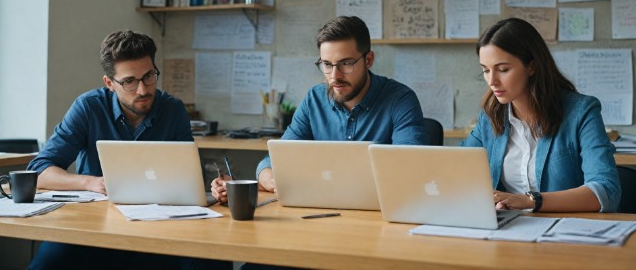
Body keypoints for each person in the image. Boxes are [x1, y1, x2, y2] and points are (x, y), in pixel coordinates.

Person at [27, 30, 230, 270]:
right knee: (47, 264)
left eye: (149, 76)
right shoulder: (88, 108)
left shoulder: (173, 109)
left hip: (163, 225)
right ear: (109, 83)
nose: (143, 90)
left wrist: (216, 187)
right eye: (129, 82)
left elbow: (190, 178)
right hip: (95, 225)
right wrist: (91, 183)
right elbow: (39, 170)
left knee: (212, 260)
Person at [211, 16, 432, 202]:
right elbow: (274, 160)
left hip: (376, 218)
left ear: (369, 60)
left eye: (346, 63)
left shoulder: (400, 99)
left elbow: (410, 170)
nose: (335, 76)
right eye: (326, 64)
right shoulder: (314, 99)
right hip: (319, 214)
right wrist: (271, 178)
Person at [461, 18, 621, 213]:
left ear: (532, 66)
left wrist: (531, 201)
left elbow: (606, 190)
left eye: (503, 69)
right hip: (509, 230)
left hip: (566, 232)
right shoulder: (490, 116)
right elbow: (457, 169)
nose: (492, 81)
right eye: (485, 70)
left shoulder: (581, 111)